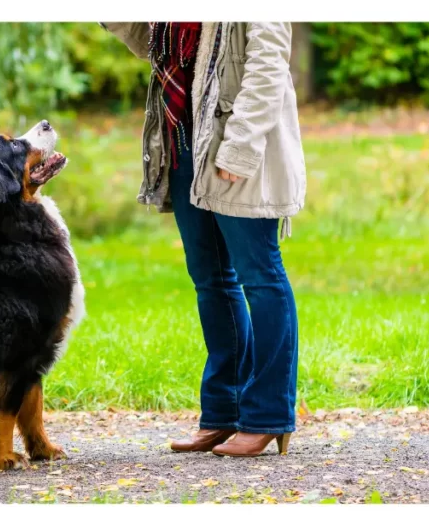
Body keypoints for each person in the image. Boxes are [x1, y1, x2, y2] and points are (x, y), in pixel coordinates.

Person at [102, 22, 306, 457]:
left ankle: (269, 416)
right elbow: (150, 45)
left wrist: (242, 145)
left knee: (260, 275)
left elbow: (268, 63)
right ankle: (223, 413)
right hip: (182, 138)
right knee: (211, 280)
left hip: (234, 141)